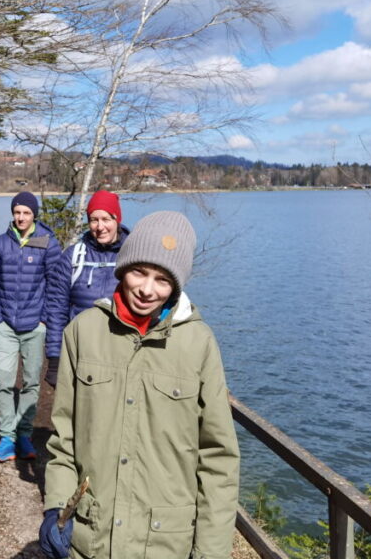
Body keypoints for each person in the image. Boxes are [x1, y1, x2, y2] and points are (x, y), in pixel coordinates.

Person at [39, 211, 239, 559]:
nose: (147, 290)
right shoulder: (83, 332)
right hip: (91, 539)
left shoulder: (199, 343)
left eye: (163, 280)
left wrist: (211, 552)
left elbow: (218, 459)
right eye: (139, 272)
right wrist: (56, 506)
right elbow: (63, 439)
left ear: (176, 285)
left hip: (165, 545)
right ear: (122, 269)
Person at [0, 191, 61, 462]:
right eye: (17, 212)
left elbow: (55, 285)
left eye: (26, 212)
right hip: (6, 325)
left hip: (35, 326)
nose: (21, 217)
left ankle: (24, 435)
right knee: (3, 380)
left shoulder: (47, 244)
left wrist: (44, 320)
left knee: (30, 382)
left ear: (34, 214)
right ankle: (7, 438)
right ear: (12, 214)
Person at [42, 190, 129, 388]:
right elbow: (56, 310)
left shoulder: (132, 256)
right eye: (93, 220)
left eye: (106, 219)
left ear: (117, 219)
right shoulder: (73, 256)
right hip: (81, 354)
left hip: (121, 356)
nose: (100, 227)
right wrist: (55, 359)